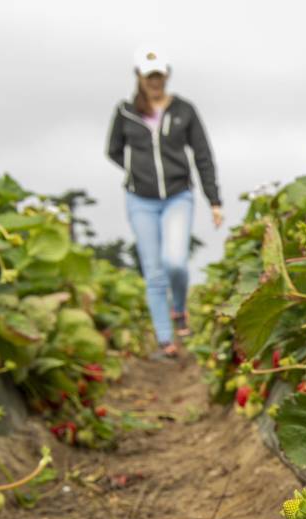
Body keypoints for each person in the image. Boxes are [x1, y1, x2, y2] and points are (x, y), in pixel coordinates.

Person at [107, 47, 224, 358]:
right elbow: (113, 150)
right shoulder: (125, 111)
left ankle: (180, 308)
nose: (154, 81)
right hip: (139, 199)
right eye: (149, 77)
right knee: (154, 272)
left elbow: (202, 155)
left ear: (166, 75)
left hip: (177, 196)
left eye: (159, 75)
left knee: (175, 261)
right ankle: (164, 340)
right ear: (140, 78)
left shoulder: (184, 110)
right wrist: (137, 171)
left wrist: (214, 200)